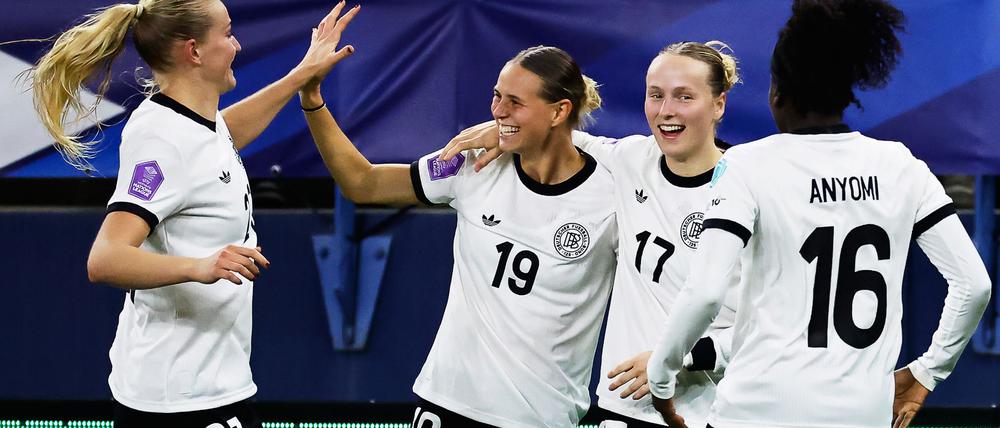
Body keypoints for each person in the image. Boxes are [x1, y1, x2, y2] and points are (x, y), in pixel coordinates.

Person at [645, 1, 992, 428]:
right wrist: (928, 371)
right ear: (847, 91)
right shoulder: (902, 165)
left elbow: (704, 293)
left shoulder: (747, 166)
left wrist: (660, 379)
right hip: (864, 416)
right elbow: (974, 284)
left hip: (756, 413)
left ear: (777, 92)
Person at [28, 0, 358, 425]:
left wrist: (300, 76)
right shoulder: (163, 142)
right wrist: (201, 265)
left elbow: (217, 140)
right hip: (179, 397)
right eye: (227, 32)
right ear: (194, 51)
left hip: (211, 384)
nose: (236, 44)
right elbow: (105, 258)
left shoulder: (196, 123)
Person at [299, 45, 619, 427]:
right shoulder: (472, 164)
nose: (498, 111)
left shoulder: (616, 185)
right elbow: (363, 183)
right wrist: (312, 99)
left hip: (540, 416)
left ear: (559, 111)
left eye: (515, 102)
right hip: (446, 405)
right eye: (497, 96)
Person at [441, 41, 743, 428]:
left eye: (684, 97)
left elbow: (777, 323)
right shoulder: (631, 160)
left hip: (712, 413)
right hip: (622, 411)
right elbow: (561, 138)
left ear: (718, 104)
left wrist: (680, 355)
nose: (667, 110)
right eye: (656, 95)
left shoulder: (748, 190)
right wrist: (502, 131)